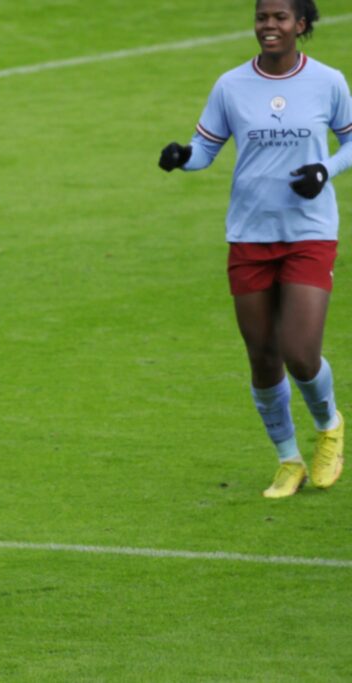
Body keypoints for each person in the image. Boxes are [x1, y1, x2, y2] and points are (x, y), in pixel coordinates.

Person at [159, 0, 352, 498]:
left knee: (299, 352)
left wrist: (324, 170)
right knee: (263, 357)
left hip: (309, 231)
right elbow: (206, 150)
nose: (269, 26)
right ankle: (288, 460)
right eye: (262, 17)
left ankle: (329, 426)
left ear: (301, 25)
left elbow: (351, 141)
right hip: (249, 233)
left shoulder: (328, 82)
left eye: (280, 18)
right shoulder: (231, 85)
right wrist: (182, 157)